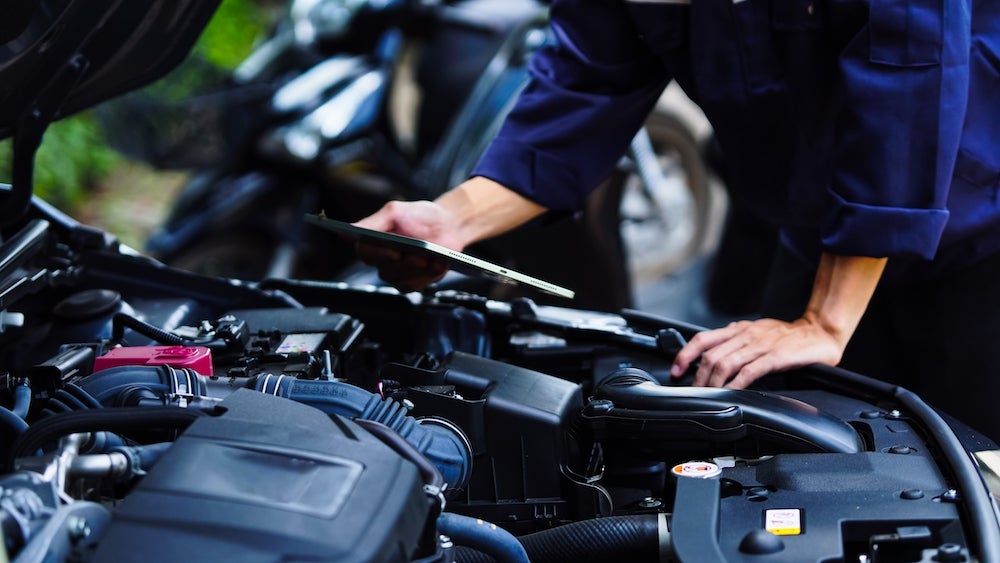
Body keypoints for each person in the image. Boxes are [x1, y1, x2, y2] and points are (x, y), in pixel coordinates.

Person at [353, 0, 1000, 442]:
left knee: (977, 473)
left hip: (980, 231)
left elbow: (910, 69)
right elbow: (584, 84)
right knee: (793, 451)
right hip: (820, 233)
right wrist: (452, 218)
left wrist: (824, 320)